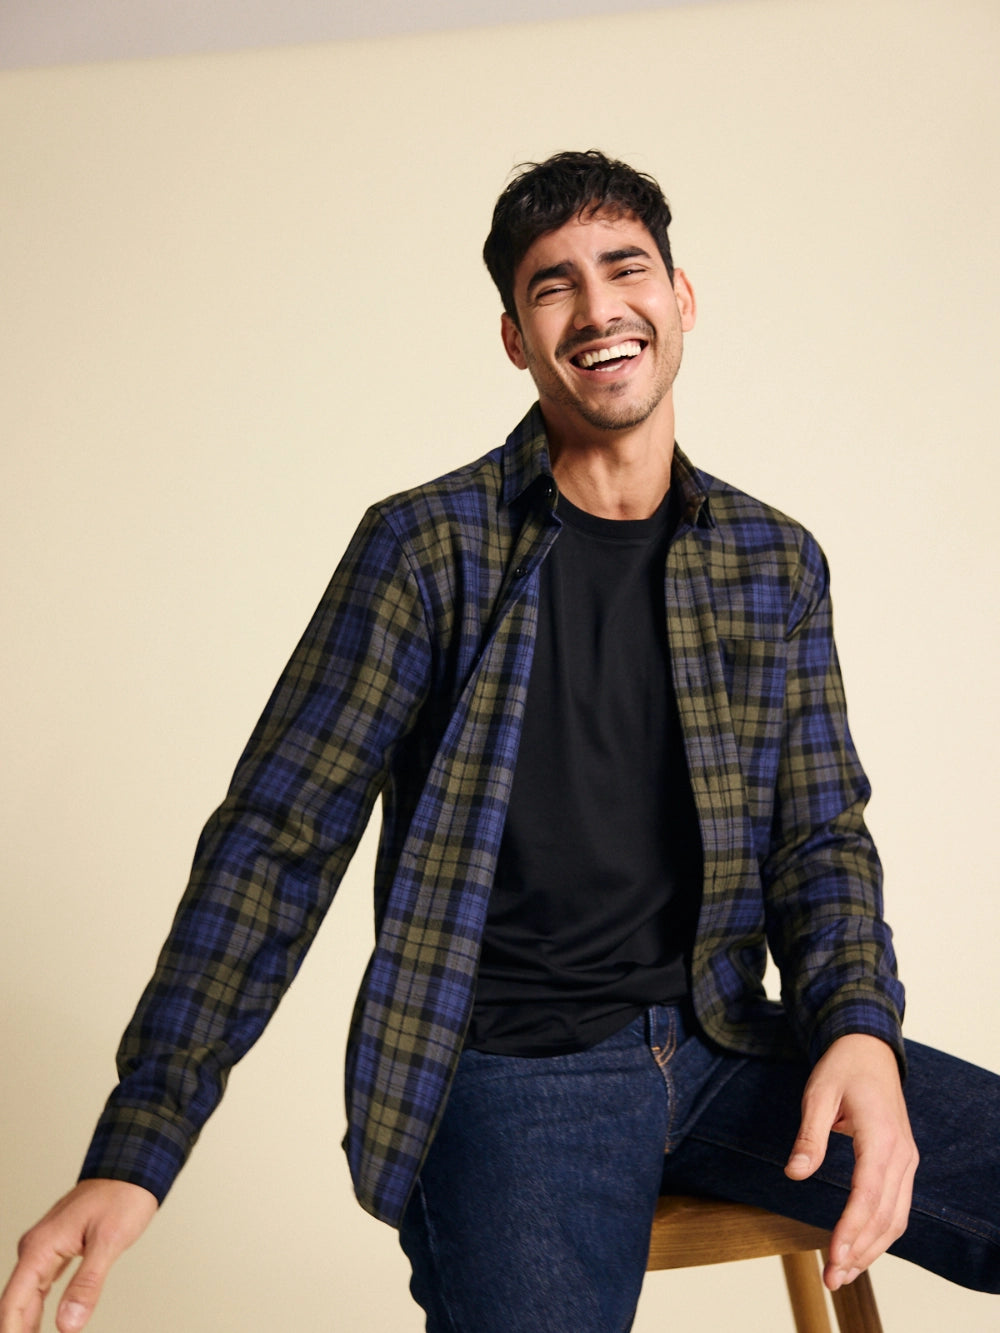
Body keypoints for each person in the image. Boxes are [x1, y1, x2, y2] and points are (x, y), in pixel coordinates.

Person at [1, 150, 997, 1333]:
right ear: (517, 339)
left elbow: (819, 838)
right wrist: (140, 1145)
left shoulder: (771, 560)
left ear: (681, 297)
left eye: (623, 268)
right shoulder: (428, 552)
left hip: (731, 1043)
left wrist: (856, 1031)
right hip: (515, 1075)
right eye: (551, 286)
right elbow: (273, 846)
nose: (596, 308)